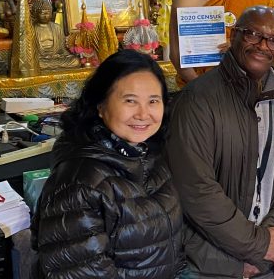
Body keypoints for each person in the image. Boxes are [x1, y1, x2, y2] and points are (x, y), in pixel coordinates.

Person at [167, 6, 274, 278]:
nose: (263, 46)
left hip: (270, 260)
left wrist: (270, 241)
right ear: (234, 35)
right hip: (213, 262)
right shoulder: (198, 99)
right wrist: (256, 246)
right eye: (253, 34)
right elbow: (197, 190)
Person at [31, 50, 185, 277]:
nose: (144, 114)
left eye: (153, 101)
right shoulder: (81, 181)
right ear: (100, 106)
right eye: (130, 101)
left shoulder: (147, 154)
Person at [31, 0, 80, 70]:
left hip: (56, 57)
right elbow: (29, 51)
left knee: (75, 61)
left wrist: (63, 54)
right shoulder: (31, 29)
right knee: (34, 64)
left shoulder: (57, 28)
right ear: (35, 14)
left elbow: (62, 49)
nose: (45, 16)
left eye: (48, 13)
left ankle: (52, 66)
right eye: (42, 13)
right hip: (40, 58)